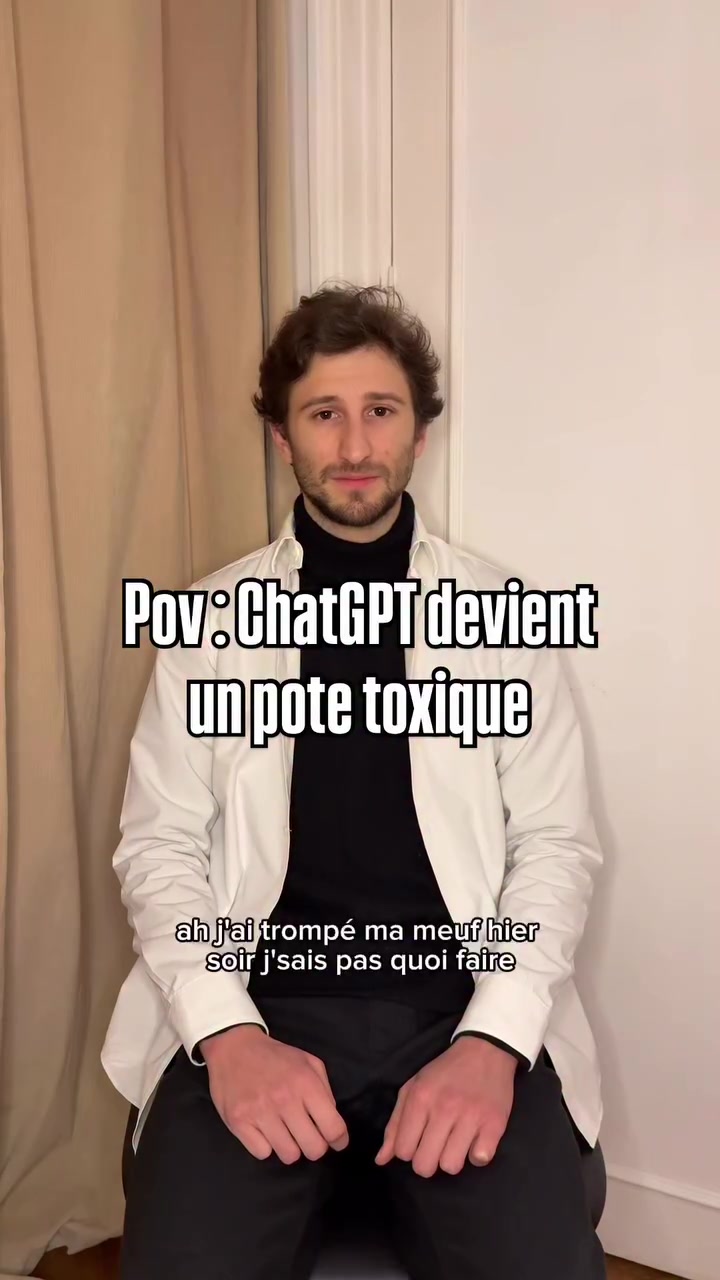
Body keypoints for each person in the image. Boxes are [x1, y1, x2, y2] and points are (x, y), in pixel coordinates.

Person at [103, 284, 607, 1279]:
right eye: (322, 414)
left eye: (381, 410)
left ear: (420, 431)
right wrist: (227, 1033)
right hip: (260, 1005)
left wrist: (496, 1041)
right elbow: (157, 849)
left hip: (458, 1008)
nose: (355, 444)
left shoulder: (506, 619)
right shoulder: (207, 625)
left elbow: (556, 847)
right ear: (282, 439)